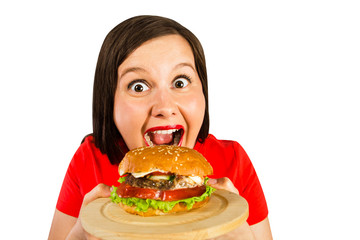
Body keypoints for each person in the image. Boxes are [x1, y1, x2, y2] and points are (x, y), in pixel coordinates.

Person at [48, 15, 272, 240]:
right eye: (138, 86)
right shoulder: (89, 160)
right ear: (109, 102)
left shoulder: (233, 161)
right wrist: (78, 236)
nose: (165, 107)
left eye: (180, 82)